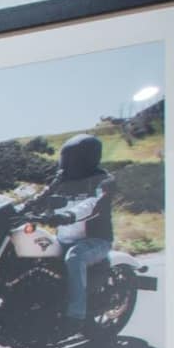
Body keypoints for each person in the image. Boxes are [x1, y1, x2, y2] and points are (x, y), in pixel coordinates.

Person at [36, 130, 115, 321]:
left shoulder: (103, 181)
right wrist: (17, 208)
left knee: (75, 258)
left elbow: (91, 205)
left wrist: (67, 215)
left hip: (96, 241)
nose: (67, 163)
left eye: (72, 158)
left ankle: (76, 315)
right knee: (35, 251)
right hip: (63, 239)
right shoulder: (62, 180)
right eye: (66, 158)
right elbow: (40, 197)